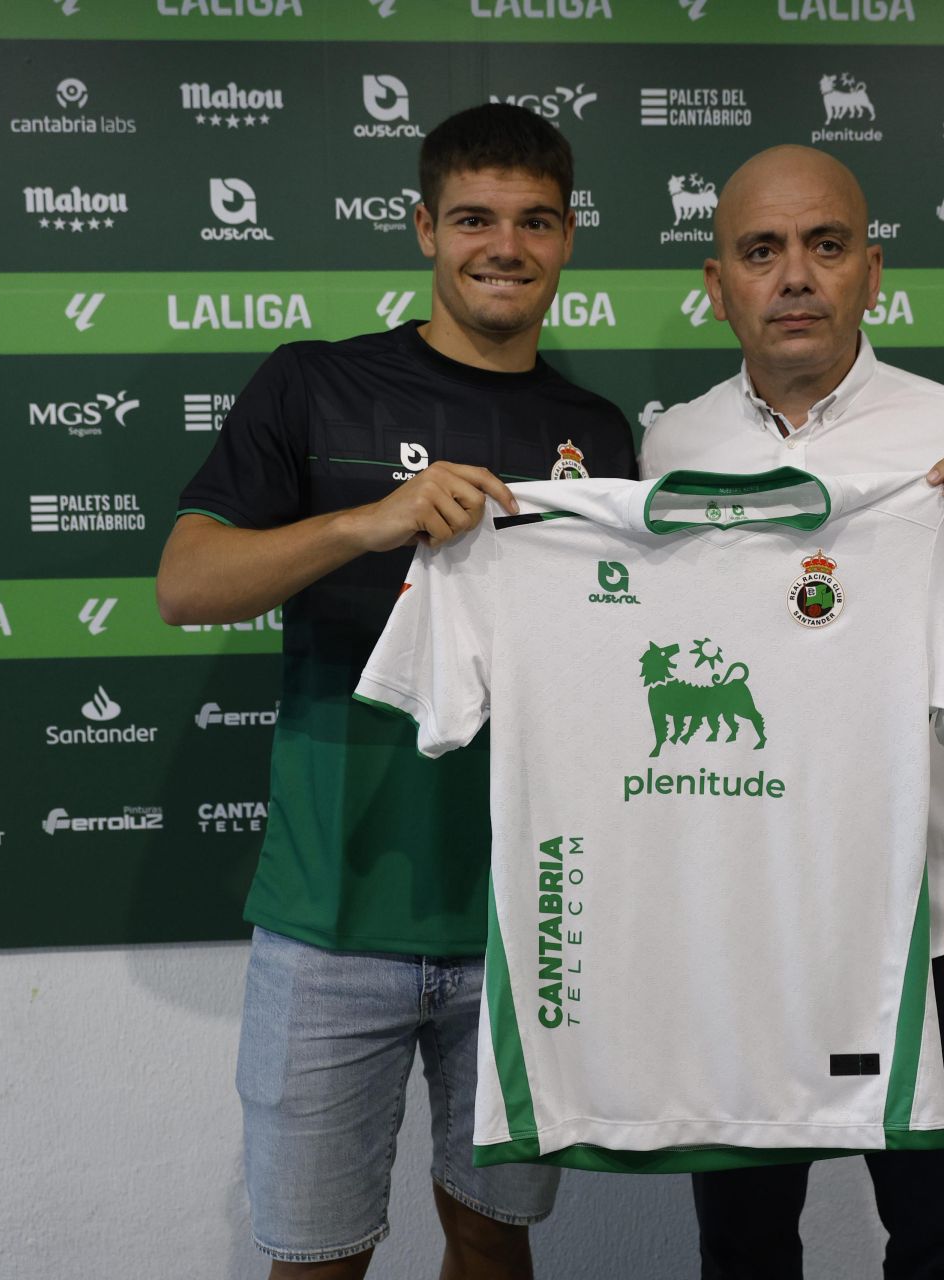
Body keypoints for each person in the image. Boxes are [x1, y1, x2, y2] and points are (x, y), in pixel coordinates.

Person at [156, 104, 636, 1279]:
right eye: (474, 217)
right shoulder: (314, 384)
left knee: (493, 1233)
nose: (503, 246)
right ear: (425, 227)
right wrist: (366, 521)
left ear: (569, 238)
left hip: (526, 925)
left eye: (534, 221)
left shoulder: (597, 432)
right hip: (330, 924)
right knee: (315, 1255)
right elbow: (186, 584)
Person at [639, 144, 944, 1280]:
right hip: (742, 934)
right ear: (719, 285)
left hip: (929, 927)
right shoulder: (667, 449)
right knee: (744, 1250)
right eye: (762, 250)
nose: (794, 275)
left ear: (872, 270)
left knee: (941, 1246)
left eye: (825, 245)